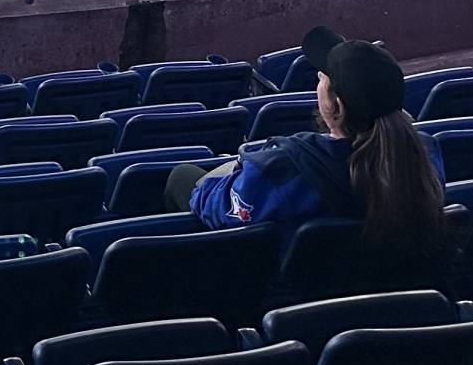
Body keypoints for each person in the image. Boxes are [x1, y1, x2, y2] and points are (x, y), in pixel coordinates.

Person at [177, 27, 447, 260]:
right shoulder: (424, 156)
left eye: (322, 78)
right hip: (396, 296)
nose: (317, 81)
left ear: (337, 105)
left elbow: (218, 210)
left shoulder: (282, 171)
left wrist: (233, 170)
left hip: (296, 307)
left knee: (182, 178)